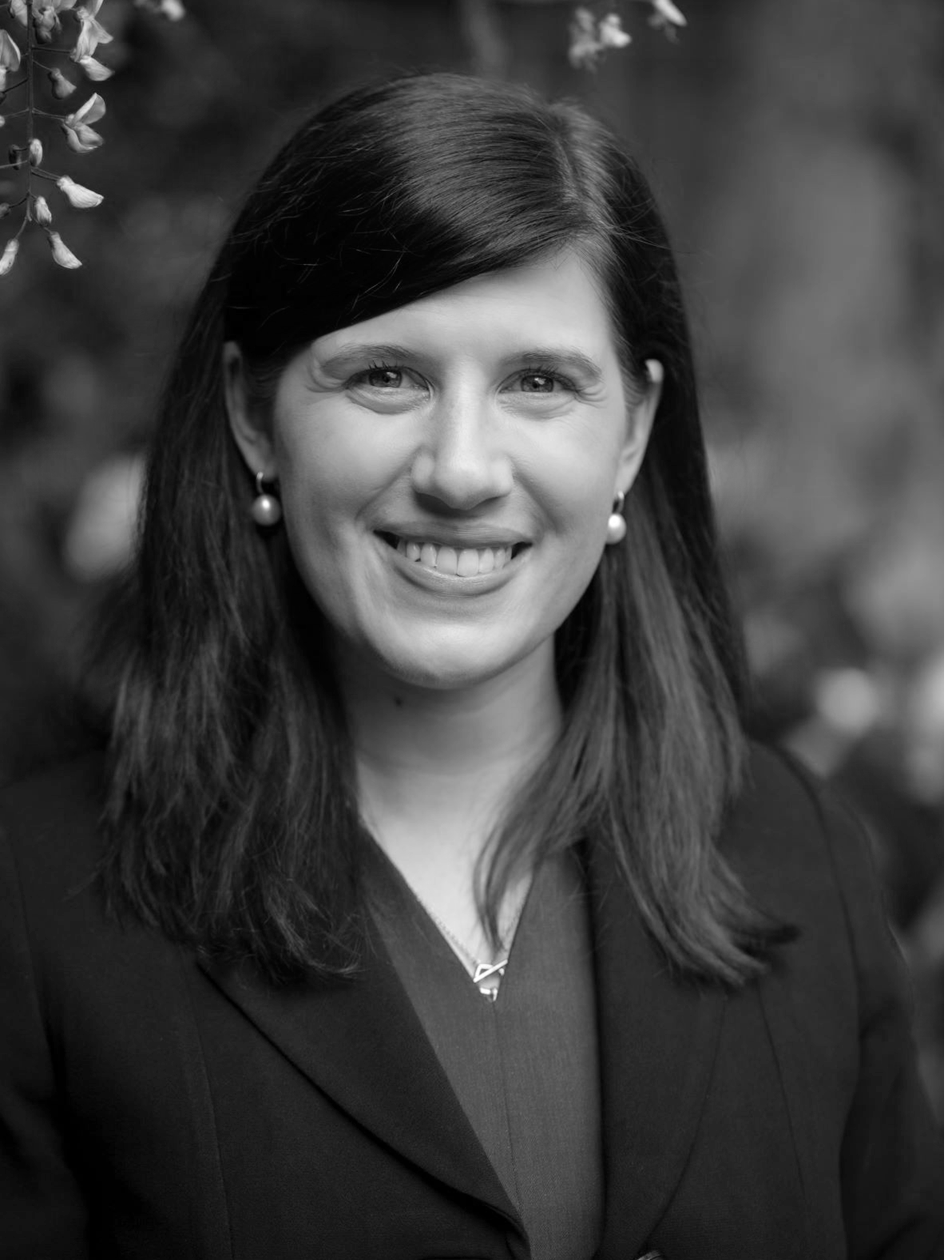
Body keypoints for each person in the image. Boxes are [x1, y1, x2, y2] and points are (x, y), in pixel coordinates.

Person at [0, 73, 938, 1260]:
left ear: (633, 433)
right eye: (386, 375)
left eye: (539, 383)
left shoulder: (803, 859)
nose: (460, 466)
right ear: (252, 413)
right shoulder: (36, 906)